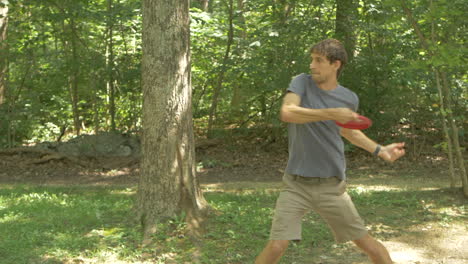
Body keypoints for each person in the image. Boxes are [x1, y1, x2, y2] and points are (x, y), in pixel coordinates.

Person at [255, 39, 405, 264]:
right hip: (296, 184)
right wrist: (331, 113)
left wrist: (380, 150)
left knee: (368, 245)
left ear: (336, 64)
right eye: (311, 59)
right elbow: (288, 112)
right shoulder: (301, 83)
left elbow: (349, 132)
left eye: (319, 60)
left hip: (331, 186)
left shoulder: (348, 98)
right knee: (277, 245)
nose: (312, 65)